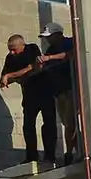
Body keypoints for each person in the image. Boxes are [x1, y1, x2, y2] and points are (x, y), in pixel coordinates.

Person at [0, 34, 57, 165]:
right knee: (28, 125)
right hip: (29, 94)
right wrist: (12, 76)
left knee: (48, 123)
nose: (12, 52)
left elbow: (34, 67)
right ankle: (31, 156)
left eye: (14, 49)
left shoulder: (32, 49)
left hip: (44, 90)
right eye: (10, 49)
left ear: (22, 45)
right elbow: (3, 78)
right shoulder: (10, 58)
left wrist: (11, 75)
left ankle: (49, 155)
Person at [38, 22, 80, 166]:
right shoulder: (50, 49)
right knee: (66, 123)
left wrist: (49, 58)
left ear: (58, 34)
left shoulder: (69, 42)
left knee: (70, 123)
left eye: (49, 37)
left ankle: (70, 153)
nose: (47, 40)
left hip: (71, 89)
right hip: (59, 92)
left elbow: (72, 54)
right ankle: (76, 150)